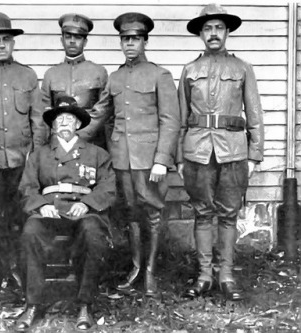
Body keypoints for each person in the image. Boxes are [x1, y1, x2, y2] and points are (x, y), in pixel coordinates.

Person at [177, 4, 264, 301]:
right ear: (200, 34)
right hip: (197, 152)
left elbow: (254, 114)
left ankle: (226, 275)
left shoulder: (242, 68)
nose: (213, 34)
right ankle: (203, 275)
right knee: (202, 214)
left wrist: (254, 155)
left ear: (227, 32)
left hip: (233, 152)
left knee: (228, 215)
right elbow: (180, 117)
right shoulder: (190, 70)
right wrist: (178, 157)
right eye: (207, 29)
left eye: (218, 28)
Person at [93, 13, 180, 296]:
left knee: (152, 213)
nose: (129, 44)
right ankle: (135, 268)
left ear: (144, 41)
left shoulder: (159, 75)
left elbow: (170, 120)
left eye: (135, 39)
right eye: (125, 39)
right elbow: (101, 115)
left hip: (149, 160)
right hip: (122, 159)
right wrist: (68, 134)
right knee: (130, 213)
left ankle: (151, 273)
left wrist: (161, 161)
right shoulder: (115, 77)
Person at [16, 96, 116, 331]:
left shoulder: (97, 154)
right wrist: (41, 205)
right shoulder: (39, 155)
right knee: (30, 232)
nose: (63, 124)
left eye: (69, 119)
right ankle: (33, 304)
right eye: (59, 120)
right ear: (52, 126)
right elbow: (27, 187)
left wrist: (88, 203)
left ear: (78, 125)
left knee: (92, 233)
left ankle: (85, 305)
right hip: (49, 212)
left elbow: (108, 187)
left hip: (83, 212)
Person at [0, 12, 47, 291]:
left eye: (6, 39)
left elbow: (38, 122)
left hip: (20, 162)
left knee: (19, 218)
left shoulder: (27, 76)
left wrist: (34, 160)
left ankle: (17, 269)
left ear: (13, 43)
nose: (1, 45)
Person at [41, 13, 109, 149]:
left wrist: (78, 135)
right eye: (68, 36)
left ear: (85, 42)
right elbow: (44, 111)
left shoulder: (99, 72)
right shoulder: (51, 74)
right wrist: (59, 136)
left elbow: (103, 110)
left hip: (91, 143)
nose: (72, 41)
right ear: (62, 40)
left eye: (78, 37)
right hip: (59, 144)